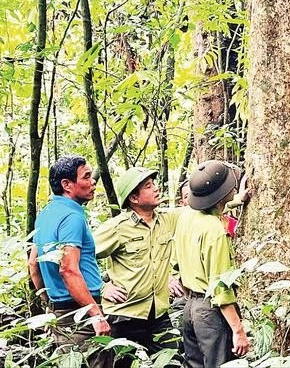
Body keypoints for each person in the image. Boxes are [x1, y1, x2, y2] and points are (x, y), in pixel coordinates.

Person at [28, 155, 112, 367]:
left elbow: (33, 265)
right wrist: (95, 314)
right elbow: (68, 269)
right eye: (86, 177)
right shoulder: (71, 217)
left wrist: (51, 305)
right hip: (82, 315)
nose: (93, 182)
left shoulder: (46, 214)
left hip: (61, 311)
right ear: (67, 184)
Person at [93, 167, 183, 365]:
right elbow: (78, 257)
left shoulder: (168, 220)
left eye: (154, 184)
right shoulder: (116, 228)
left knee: (172, 362)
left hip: (158, 314)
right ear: (134, 198)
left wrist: (235, 200)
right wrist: (101, 287)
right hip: (124, 315)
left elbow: (197, 211)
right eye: (148, 187)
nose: (156, 189)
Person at [175, 160, 250, 367]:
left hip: (189, 307)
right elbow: (221, 288)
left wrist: (236, 200)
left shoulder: (186, 216)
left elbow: (213, 208)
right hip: (210, 311)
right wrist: (238, 330)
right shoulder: (216, 231)